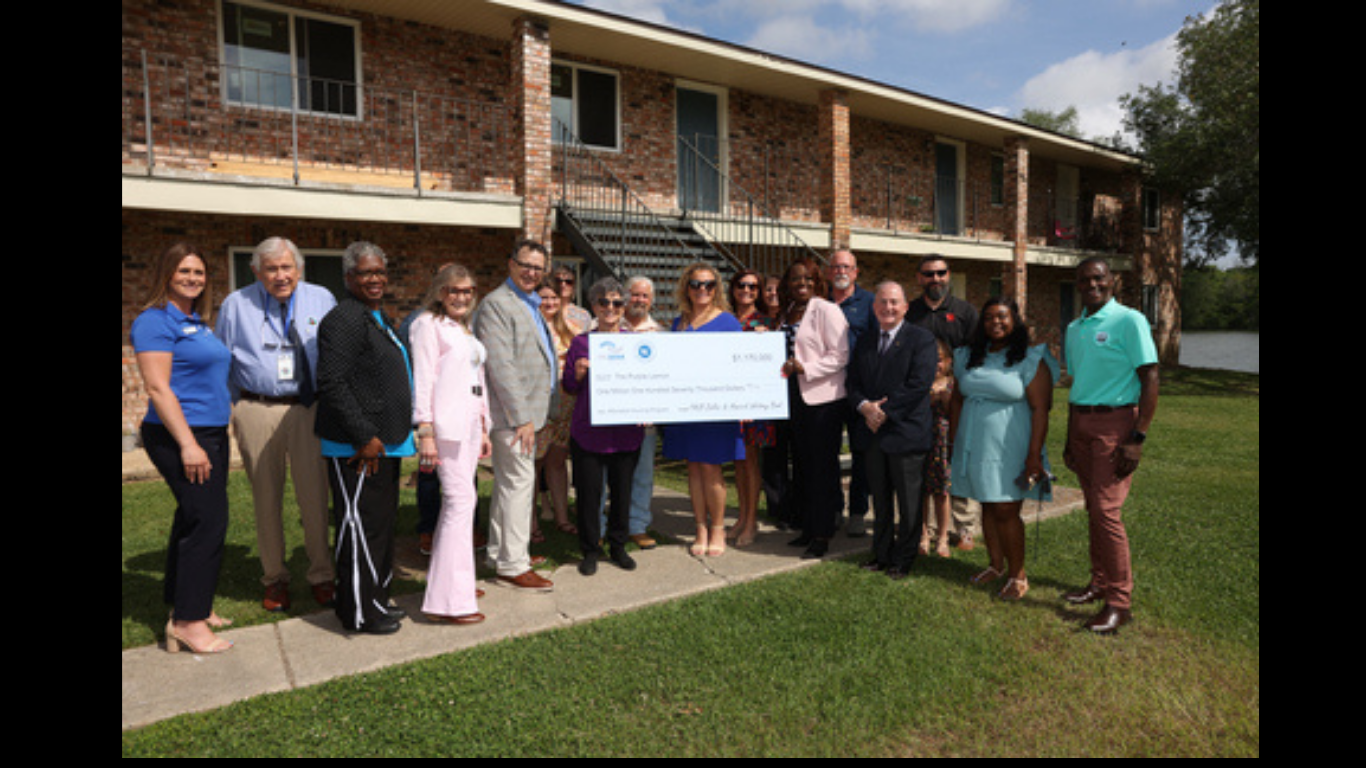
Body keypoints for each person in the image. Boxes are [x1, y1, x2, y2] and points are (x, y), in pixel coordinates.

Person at [215, 236, 336, 613]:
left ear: (298, 268)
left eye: (287, 267)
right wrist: (233, 411)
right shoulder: (235, 305)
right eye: (272, 269)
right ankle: (275, 579)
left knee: (315, 497)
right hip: (257, 407)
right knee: (266, 498)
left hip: (309, 409)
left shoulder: (322, 298)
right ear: (256, 271)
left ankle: (321, 575)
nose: (281, 276)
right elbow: (222, 362)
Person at [132, 242, 234, 654]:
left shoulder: (197, 321)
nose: (192, 279)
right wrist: (189, 444)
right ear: (166, 275)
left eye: (198, 273)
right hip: (182, 436)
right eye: (183, 272)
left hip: (209, 432)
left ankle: (190, 603)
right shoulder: (155, 322)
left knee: (192, 517)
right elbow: (158, 387)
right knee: (207, 521)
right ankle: (188, 623)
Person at [314, 241, 414, 635]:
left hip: (383, 443)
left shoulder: (375, 316)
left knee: (379, 527)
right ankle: (359, 613)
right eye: (365, 273)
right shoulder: (344, 319)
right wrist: (364, 435)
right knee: (359, 529)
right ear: (349, 278)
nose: (375, 279)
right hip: (358, 447)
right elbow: (332, 383)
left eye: (379, 272)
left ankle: (374, 599)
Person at [1062, 257, 1159, 634]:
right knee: (1093, 508)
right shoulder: (1074, 328)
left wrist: (1137, 437)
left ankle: (1119, 602)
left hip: (1116, 424)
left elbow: (1150, 376)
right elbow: (1078, 383)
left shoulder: (1129, 320)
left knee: (1106, 511)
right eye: (1084, 280)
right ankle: (1098, 582)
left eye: (1099, 278)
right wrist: (1070, 437)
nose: (1092, 285)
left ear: (1112, 281)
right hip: (1082, 422)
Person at [949, 297, 1059, 601]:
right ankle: (996, 566)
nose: (995, 323)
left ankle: (1017, 574)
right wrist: (955, 442)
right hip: (974, 442)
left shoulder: (1030, 358)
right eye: (988, 318)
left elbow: (1040, 409)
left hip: (1012, 444)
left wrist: (1034, 455)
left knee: (1006, 508)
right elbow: (957, 399)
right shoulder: (968, 355)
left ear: (1015, 320)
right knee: (986, 502)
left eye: (1002, 317)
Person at [473, 240, 557, 592]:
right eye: (525, 265)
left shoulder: (531, 302)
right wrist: (522, 416)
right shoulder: (497, 304)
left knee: (512, 487)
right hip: (512, 417)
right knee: (518, 487)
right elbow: (501, 366)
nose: (531, 272)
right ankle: (513, 564)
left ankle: (500, 553)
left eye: (538, 268)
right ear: (510, 264)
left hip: (530, 415)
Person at [411, 265, 492, 625]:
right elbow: (424, 379)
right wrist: (425, 429)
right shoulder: (427, 325)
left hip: (470, 428)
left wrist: (485, 428)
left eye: (468, 290)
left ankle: (455, 584)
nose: (461, 297)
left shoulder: (465, 329)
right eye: (453, 290)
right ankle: (449, 602)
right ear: (440, 292)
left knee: (462, 504)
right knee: (461, 503)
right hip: (445, 429)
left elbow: (477, 380)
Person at [846, 281, 938, 579]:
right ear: (875, 307)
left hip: (906, 434)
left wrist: (882, 411)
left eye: (894, 302)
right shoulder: (865, 341)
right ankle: (881, 554)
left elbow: (919, 385)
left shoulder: (922, 340)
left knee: (909, 505)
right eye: (883, 302)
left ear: (905, 307)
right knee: (881, 502)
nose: (888, 308)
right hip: (873, 434)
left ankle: (904, 558)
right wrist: (864, 407)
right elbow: (852, 383)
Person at [563, 278, 646, 575]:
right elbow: (569, 387)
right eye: (603, 302)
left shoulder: (636, 343)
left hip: (626, 433)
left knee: (622, 493)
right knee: (589, 494)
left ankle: (619, 546)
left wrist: (650, 409)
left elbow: (647, 386)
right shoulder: (581, 343)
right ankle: (589, 550)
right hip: (589, 433)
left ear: (624, 307)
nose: (610, 308)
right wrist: (578, 372)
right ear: (594, 306)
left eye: (616, 303)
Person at [663, 262, 745, 557]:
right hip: (686, 408)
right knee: (693, 467)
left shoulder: (728, 322)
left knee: (711, 468)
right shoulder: (678, 323)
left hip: (715, 408)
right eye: (696, 284)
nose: (703, 290)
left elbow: (740, 368)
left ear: (716, 288)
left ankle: (718, 528)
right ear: (687, 287)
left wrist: (743, 401)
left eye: (709, 284)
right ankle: (700, 527)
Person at [906, 254, 981, 552]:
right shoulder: (910, 313)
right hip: (919, 404)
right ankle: (930, 529)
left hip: (959, 400)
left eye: (940, 273)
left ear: (949, 275)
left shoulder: (964, 312)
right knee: (927, 472)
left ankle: (965, 528)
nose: (935, 279)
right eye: (928, 274)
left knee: (959, 465)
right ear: (919, 278)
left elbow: (977, 356)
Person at [778, 258, 850, 559]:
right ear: (787, 283)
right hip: (794, 397)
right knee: (803, 467)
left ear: (817, 281)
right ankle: (808, 527)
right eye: (796, 279)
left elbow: (841, 355)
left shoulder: (826, 309)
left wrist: (805, 368)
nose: (802, 284)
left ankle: (822, 534)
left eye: (808, 279)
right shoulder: (787, 312)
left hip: (823, 400)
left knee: (821, 468)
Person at [827, 249, 878, 538]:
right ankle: (834, 508)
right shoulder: (819, 303)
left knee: (861, 453)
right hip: (826, 392)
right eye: (835, 266)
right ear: (828, 272)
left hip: (859, 391)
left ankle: (858, 512)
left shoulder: (870, 303)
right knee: (827, 453)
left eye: (846, 266)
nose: (840, 271)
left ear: (856, 272)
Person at [728, 270, 776, 547]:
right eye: (742, 285)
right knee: (737, 460)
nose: (747, 290)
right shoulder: (725, 320)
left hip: (754, 402)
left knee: (750, 460)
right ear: (733, 288)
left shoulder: (765, 322)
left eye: (753, 287)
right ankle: (741, 517)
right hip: (728, 399)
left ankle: (751, 521)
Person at [621, 275, 665, 549]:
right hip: (611, 418)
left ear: (652, 301)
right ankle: (603, 525)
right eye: (634, 294)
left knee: (643, 474)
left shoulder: (661, 333)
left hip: (646, 420)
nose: (639, 300)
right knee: (604, 477)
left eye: (644, 296)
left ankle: (637, 525)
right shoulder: (605, 324)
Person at [533, 281, 580, 540]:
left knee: (558, 462)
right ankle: (530, 522)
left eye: (553, 298)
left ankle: (562, 517)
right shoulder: (530, 327)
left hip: (565, 404)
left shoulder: (569, 328)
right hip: (539, 405)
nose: (549, 302)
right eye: (544, 297)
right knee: (534, 464)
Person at [921, 337, 956, 558]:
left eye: (940, 360)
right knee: (922, 491)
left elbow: (956, 412)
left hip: (942, 445)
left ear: (949, 362)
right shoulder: (919, 383)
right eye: (931, 361)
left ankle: (942, 536)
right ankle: (924, 534)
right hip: (921, 441)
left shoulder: (953, 384)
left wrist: (945, 399)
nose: (936, 365)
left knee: (941, 492)